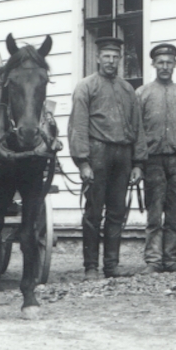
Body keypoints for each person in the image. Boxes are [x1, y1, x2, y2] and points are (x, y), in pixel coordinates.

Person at [68, 36, 147, 279]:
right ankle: (91, 266)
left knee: (117, 212)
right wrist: (83, 162)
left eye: (115, 57)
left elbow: (137, 126)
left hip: (123, 155)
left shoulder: (127, 89)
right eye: (106, 56)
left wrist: (138, 163)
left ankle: (111, 266)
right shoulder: (86, 86)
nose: (111, 61)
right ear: (98, 58)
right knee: (94, 212)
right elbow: (78, 125)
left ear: (120, 59)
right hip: (97, 153)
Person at [136, 43, 176, 273]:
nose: (165, 66)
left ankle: (170, 259)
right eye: (160, 62)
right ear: (153, 64)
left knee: (175, 213)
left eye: (169, 62)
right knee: (154, 212)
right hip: (152, 160)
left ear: (175, 65)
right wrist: (137, 162)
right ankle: (153, 260)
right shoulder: (142, 94)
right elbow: (136, 131)